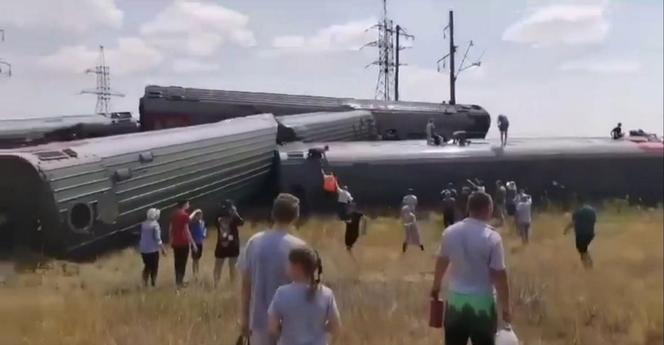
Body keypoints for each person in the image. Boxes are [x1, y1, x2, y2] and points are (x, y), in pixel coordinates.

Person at [430, 192, 512, 345]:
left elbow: (442, 261)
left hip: (455, 301)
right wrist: (506, 307)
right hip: (483, 303)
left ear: (469, 208)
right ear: (489, 208)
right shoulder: (492, 237)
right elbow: (499, 274)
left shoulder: (450, 232)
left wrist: (436, 287)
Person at [239, 193, 307, 345]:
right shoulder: (299, 247)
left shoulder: (254, 242)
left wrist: (244, 319)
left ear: (273, 214)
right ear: (295, 217)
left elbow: (246, 285)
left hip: (258, 323)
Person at [268, 247, 341, 345]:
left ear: (297, 267)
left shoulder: (282, 293)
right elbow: (336, 327)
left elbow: (272, 327)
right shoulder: (327, 294)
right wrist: (321, 328)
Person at [214, 200, 245, 285]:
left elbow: (216, 224)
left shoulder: (218, 215)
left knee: (218, 265)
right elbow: (241, 222)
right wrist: (235, 212)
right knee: (232, 266)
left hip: (221, 243)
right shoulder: (234, 216)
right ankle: (233, 284)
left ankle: (216, 284)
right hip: (232, 243)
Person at [169, 200, 197, 288]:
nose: (189, 205)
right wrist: (193, 243)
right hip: (183, 241)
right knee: (183, 262)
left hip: (176, 242)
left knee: (177, 262)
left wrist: (171, 239)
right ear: (184, 205)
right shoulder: (184, 215)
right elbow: (187, 230)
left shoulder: (174, 214)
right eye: (188, 204)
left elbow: (170, 228)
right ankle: (180, 282)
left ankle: (178, 280)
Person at [564, 197, 597, 268]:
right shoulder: (592, 210)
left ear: (578, 202)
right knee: (584, 250)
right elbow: (594, 221)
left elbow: (572, 223)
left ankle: (589, 267)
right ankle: (588, 266)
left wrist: (566, 230)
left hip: (581, 235)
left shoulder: (577, 211)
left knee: (582, 252)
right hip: (590, 234)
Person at [139, 208, 166, 287]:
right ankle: (153, 283)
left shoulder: (143, 224)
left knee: (147, 266)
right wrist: (163, 249)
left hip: (143, 249)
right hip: (153, 249)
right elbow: (158, 238)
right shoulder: (155, 225)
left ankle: (144, 282)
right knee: (154, 267)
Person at [188, 209, 206, 278]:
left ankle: (197, 273)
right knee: (194, 259)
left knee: (197, 259)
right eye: (198, 215)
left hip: (200, 243)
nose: (200, 216)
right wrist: (195, 212)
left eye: (201, 215)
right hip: (194, 243)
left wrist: (204, 234)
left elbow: (204, 229)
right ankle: (194, 274)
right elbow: (189, 218)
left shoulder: (202, 222)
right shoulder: (193, 222)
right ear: (195, 216)